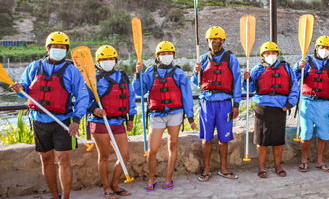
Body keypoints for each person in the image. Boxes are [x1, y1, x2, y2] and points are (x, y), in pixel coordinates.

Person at [9, 31, 89, 199]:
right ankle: (54, 195)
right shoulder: (34, 67)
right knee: (46, 159)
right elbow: (24, 90)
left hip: (63, 121)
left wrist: (76, 120)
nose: (58, 50)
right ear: (47, 48)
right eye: (55, 47)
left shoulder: (72, 71)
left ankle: (65, 197)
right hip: (39, 120)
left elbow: (82, 97)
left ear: (66, 49)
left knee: (63, 159)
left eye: (62, 47)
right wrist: (20, 89)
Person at [134, 41, 196, 191]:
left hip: (175, 113)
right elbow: (139, 91)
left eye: (169, 53)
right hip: (157, 115)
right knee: (152, 150)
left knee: (172, 145)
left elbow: (187, 96)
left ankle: (168, 178)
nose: (166, 56)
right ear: (158, 56)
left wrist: (190, 117)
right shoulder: (150, 72)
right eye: (163, 54)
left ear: (173, 55)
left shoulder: (179, 73)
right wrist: (137, 74)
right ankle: (151, 179)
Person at [192, 26, 242, 182]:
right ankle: (206, 169)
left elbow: (237, 82)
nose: (213, 42)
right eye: (211, 40)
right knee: (206, 138)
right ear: (207, 41)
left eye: (217, 39)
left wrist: (236, 104)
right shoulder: (202, 59)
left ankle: (223, 168)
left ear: (222, 40)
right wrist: (196, 72)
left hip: (225, 103)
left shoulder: (231, 59)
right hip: (207, 103)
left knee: (224, 138)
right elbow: (196, 83)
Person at [243, 42, 299, 178]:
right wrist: (246, 80)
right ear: (263, 55)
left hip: (280, 107)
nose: (271, 55)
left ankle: (277, 165)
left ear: (277, 54)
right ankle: (261, 167)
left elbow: (294, 87)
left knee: (278, 140)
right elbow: (249, 89)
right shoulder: (258, 68)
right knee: (261, 139)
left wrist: (290, 103)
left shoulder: (286, 68)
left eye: (273, 53)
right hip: (262, 107)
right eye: (267, 53)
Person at [87, 45, 136, 199]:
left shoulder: (122, 76)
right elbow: (85, 100)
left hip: (118, 121)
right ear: (98, 61)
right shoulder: (92, 78)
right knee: (104, 156)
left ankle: (115, 184)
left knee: (124, 155)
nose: (107, 61)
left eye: (110, 58)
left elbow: (130, 97)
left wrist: (130, 117)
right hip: (100, 122)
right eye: (103, 59)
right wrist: (95, 110)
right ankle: (106, 187)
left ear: (115, 60)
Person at [294, 35, 329, 172]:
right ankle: (304, 159)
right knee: (306, 132)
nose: (324, 50)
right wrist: (298, 68)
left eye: (328, 48)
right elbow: (294, 77)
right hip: (307, 102)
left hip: (324, 104)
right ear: (316, 48)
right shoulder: (305, 61)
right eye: (322, 47)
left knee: (323, 133)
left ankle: (319, 161)